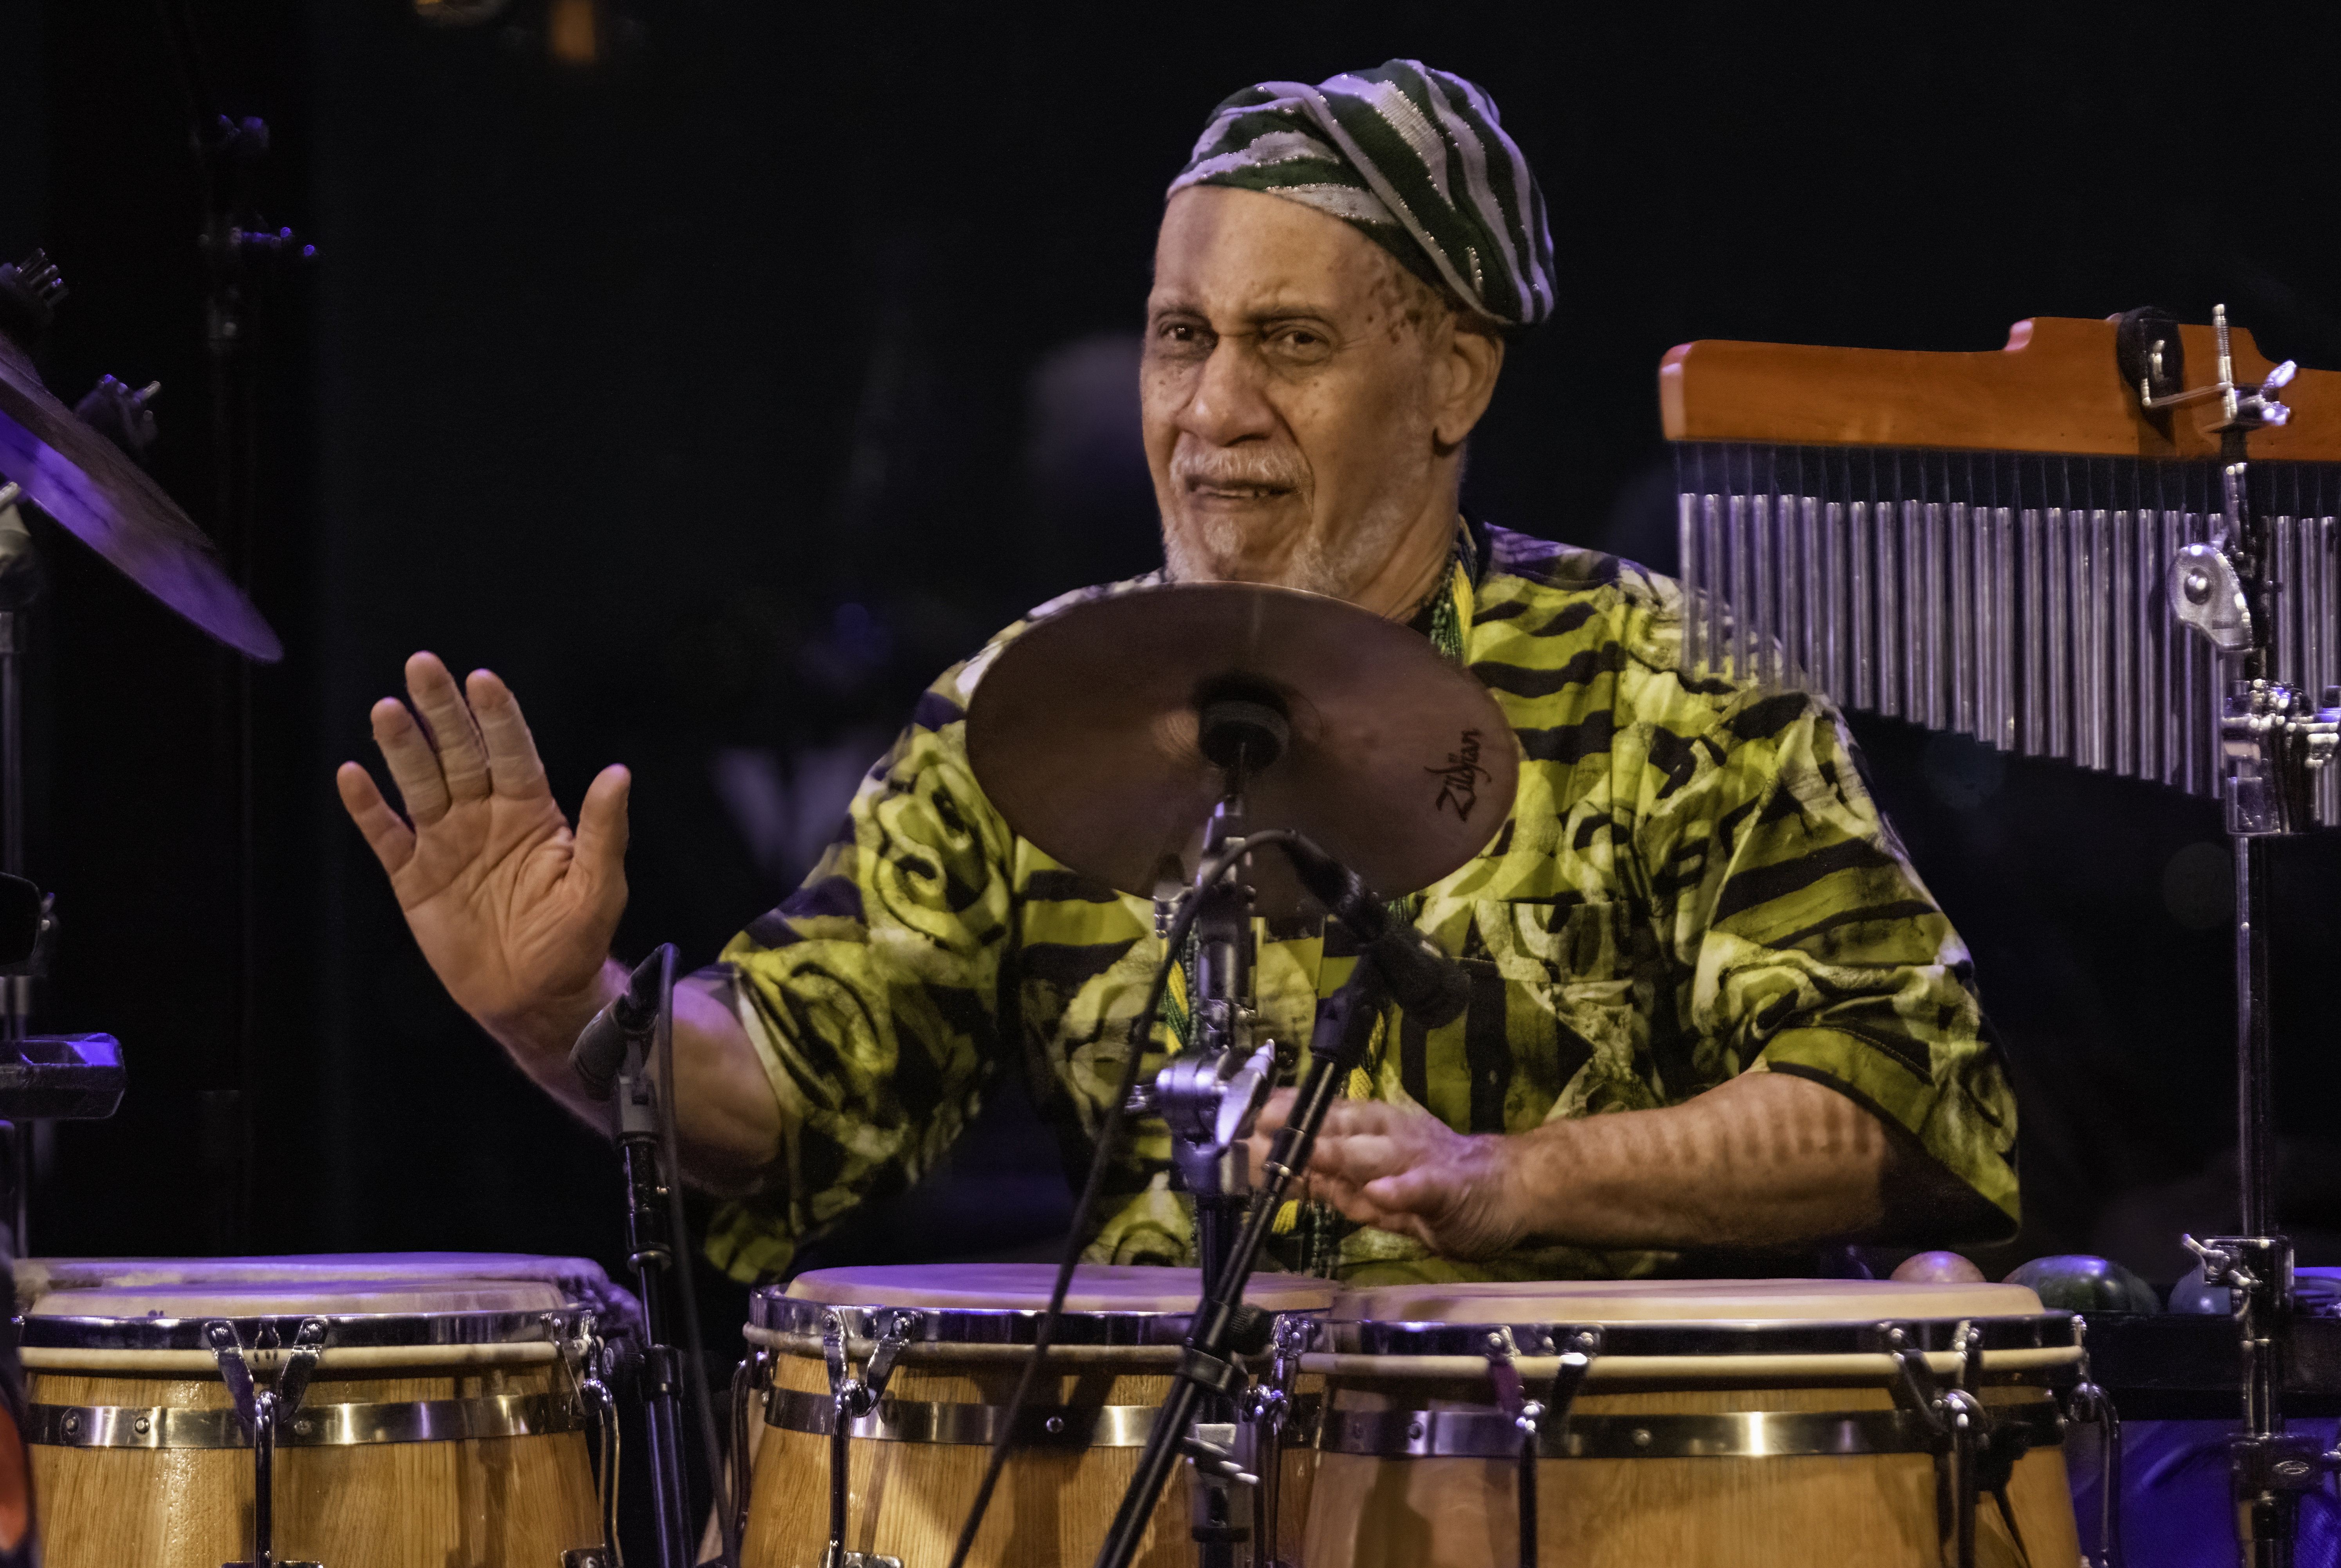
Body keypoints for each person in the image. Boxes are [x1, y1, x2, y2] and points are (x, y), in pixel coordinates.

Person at [336, 61, 2017, 1286]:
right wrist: (571, 1016)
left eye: (1289, 345)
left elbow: (1890, 1102)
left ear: (1451, 376)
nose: (1211, 413)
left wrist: (1518, 1178)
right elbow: (793, 1082)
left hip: (1591, 1501)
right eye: (1177, 338)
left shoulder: (1668, 683)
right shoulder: (1029, 702)